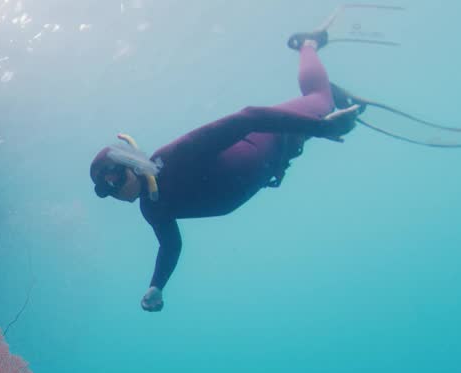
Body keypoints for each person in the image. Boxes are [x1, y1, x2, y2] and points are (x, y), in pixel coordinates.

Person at [90, 33, 363, 312]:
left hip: (275, 133)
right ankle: (329, 100)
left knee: (320, 101)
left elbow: (250, 116)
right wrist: (156, 286)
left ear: (132, 164)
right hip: (279, 157)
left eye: (114, 180)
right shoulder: (153, 208)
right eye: (106, 191)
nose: (115, 192)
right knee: (321, 110)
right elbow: (170, 246)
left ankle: (307, 44)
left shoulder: (173, 158)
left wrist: (321, 128)